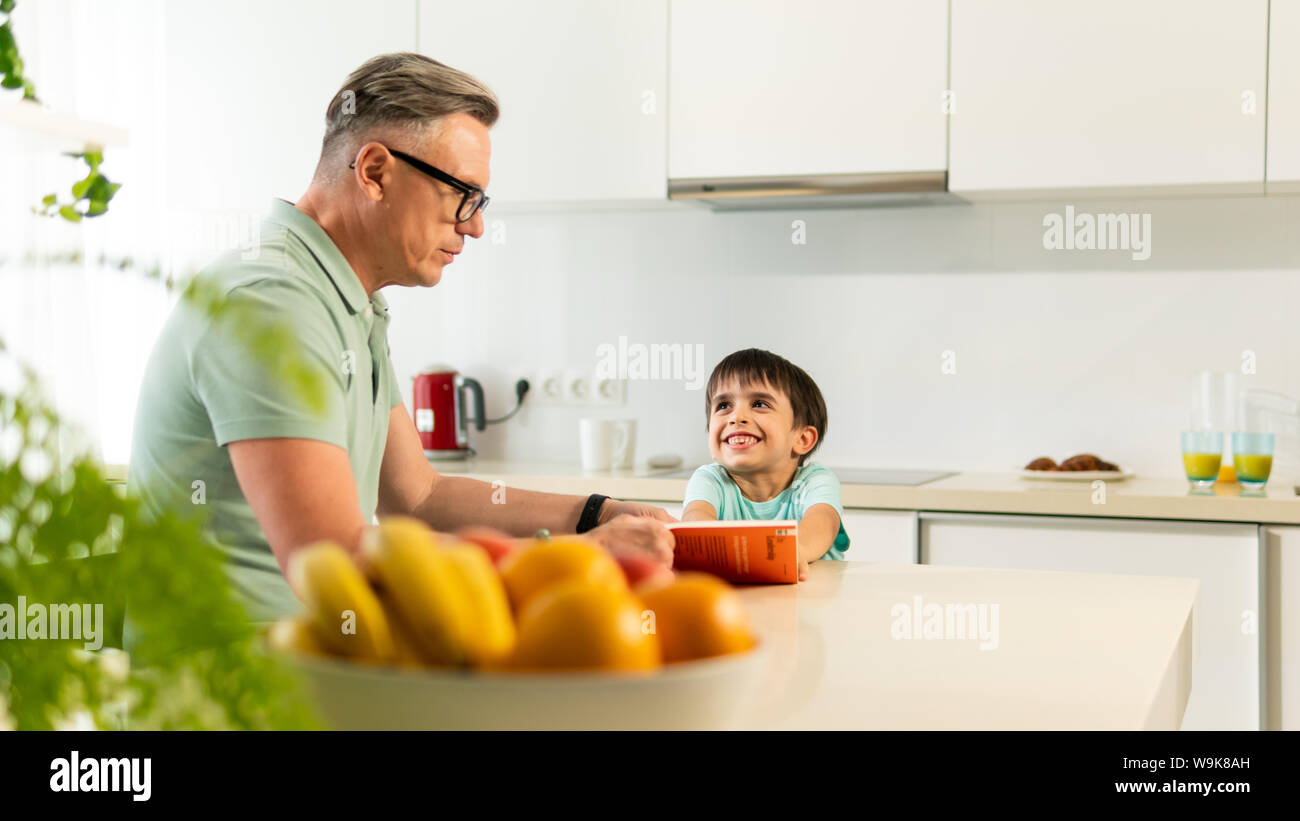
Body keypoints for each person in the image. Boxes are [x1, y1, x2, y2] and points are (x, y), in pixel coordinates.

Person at [127, 53, 674, 630]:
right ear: (375, 172)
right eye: (463, 193)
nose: (475, 225)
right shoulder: (273, 302)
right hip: (231, 693)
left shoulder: (345, 297)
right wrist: (573, 559)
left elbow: (417, 497)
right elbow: (333, 559)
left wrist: (595, 515)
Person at [680, 348, 849, 581]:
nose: (736, 416)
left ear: (802, 439)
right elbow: (695, 525)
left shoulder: (815, 480)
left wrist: (790, 552)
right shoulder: (710, 480)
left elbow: (823, 524)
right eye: (723, 406)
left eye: (759, 404)